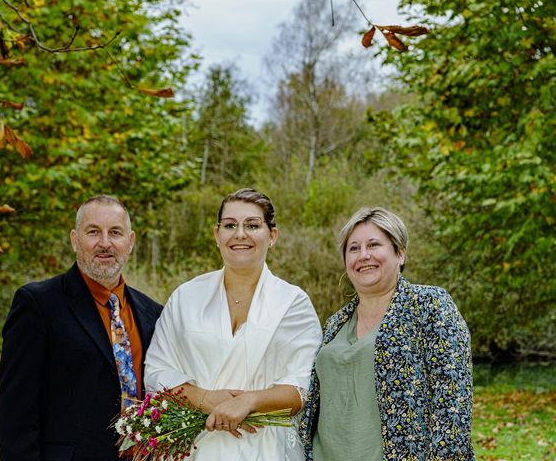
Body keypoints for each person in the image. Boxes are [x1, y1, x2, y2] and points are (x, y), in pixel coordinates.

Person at [144, 188, 322, 460]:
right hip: (196, 445)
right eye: (230, 225)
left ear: (272, 236)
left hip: (266, 448)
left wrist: (248, 401)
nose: (240, 234)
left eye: (252, 225)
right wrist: (204, 398)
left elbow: (302, 387)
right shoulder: (186, 297)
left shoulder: (293, 303)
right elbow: (157, 371)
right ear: (217, 235)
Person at [299, 207, 475, 461]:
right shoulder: (336, 322)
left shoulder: (429, 305)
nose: (363, 255)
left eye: (373, 245)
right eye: (354, 248)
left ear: (400, 253)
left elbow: (453, 400)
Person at [0, 195, 163, 461]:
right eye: (93, 232)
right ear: (75, 240)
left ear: (130, 242)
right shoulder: (38, 305)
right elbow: (15, 413)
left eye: (115, 233)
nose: (105, 243)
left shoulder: (153, 314)